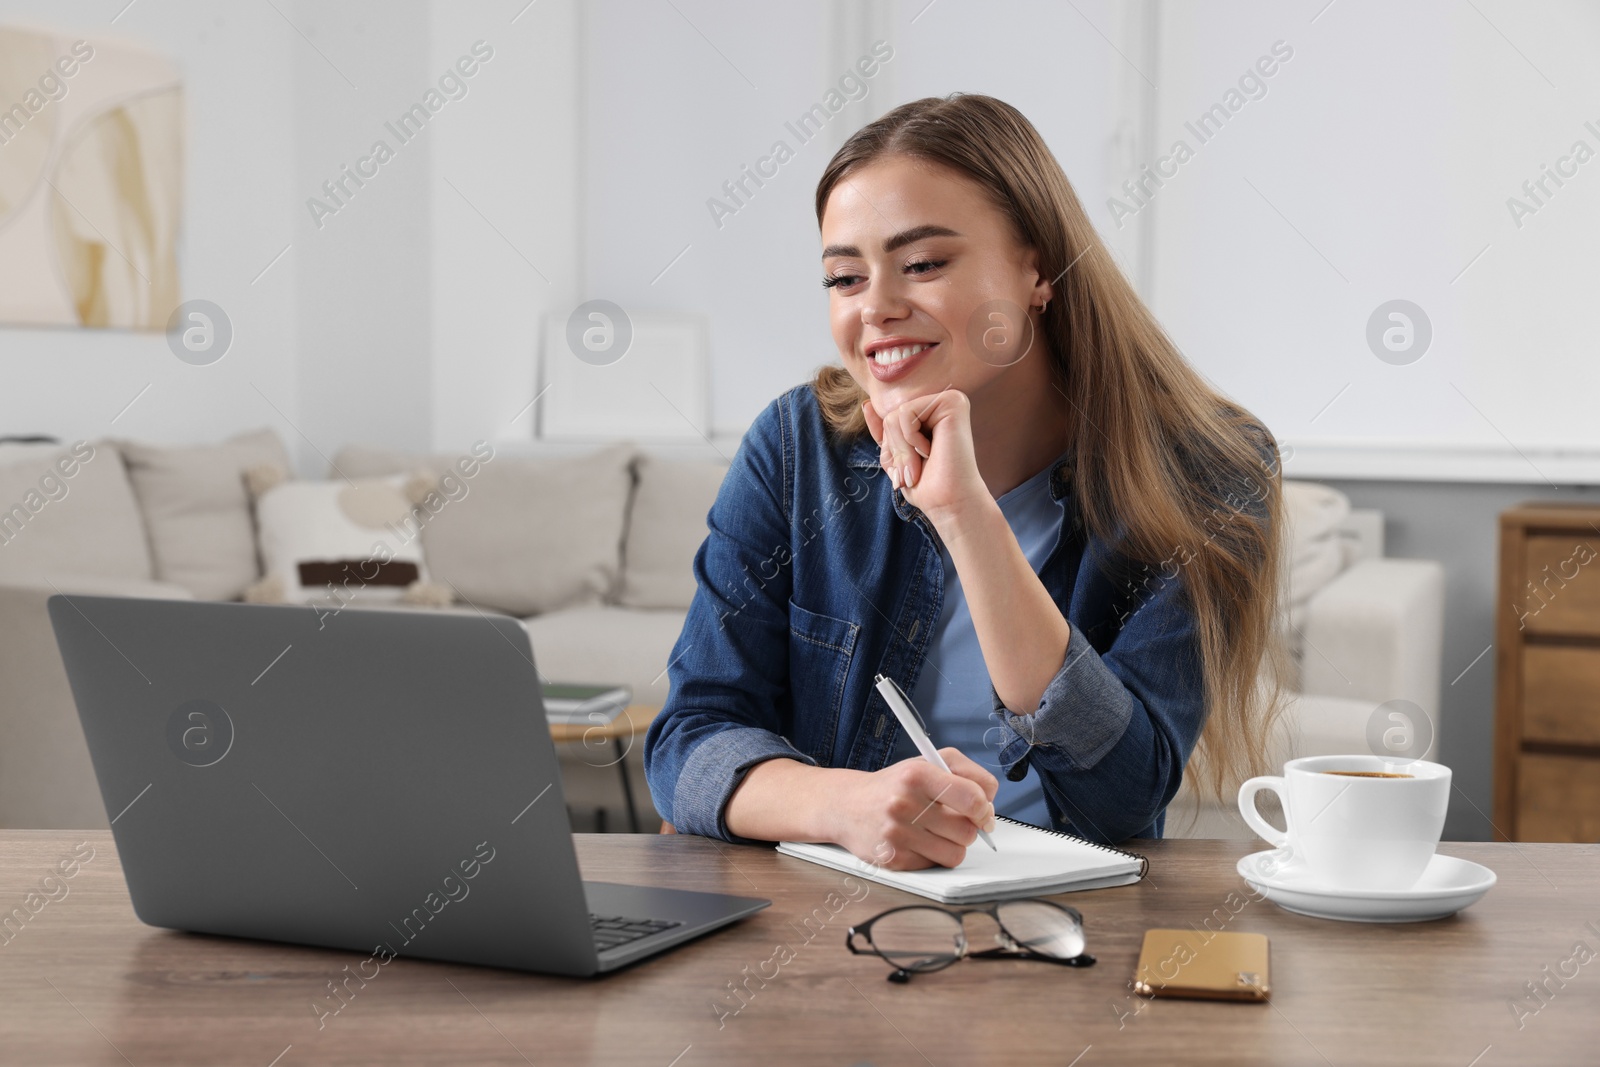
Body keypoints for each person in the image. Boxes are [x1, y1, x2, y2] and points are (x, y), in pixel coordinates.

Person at [643, 94, 1286, 870]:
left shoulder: (1209, 470)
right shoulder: (796, 446)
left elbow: (1121, 798)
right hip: (829, 914)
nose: (876, 308)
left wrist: (966, 516)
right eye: (845, 278)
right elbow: (691, 737)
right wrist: (845, 806)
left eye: (922, 265)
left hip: (1072, 922)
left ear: (1038, 269)